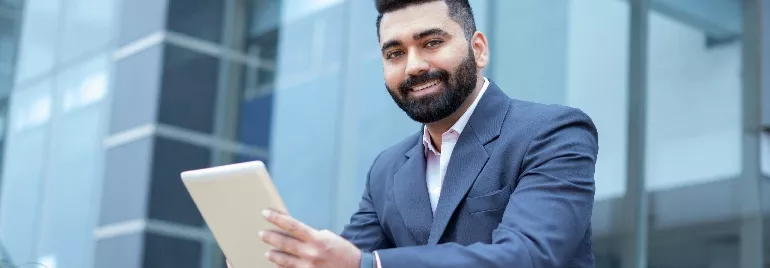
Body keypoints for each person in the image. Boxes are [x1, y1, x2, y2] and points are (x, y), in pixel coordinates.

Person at [247, 0, 599, 267]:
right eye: (395, 52)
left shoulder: (553, 132)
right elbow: (340, 258)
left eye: (431, 42)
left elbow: (527, 256)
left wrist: (370, 264)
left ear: (478, 49)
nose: (414, 66)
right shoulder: (387, 170)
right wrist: (283, 257)